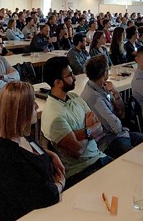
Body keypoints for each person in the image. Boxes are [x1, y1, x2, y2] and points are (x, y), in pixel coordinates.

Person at [0, 81, 64, 221]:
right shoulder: (8, 159)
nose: (37, 107)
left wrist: (51, 155)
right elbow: (47, 197)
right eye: (33, 105)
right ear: (21, 113)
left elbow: (31, 154)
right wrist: (61, 182)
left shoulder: (18, 136)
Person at [40, 57, 112, 187]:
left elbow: (100, 128)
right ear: (58, 82)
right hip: (81, 171)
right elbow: (77, 151)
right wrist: (89, 129)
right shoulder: (54, 115)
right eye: (70, 75)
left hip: (99, 157)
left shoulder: (75, 98)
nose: (74, 78)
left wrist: (78, 134)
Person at [81, 55, 143, 158]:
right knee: (142, 155)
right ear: (105, 74)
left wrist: (116, 95)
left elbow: (121, 114)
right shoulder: (93, 97)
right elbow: (116, 126)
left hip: (119, 134)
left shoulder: (101, 87)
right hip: (108, 142)